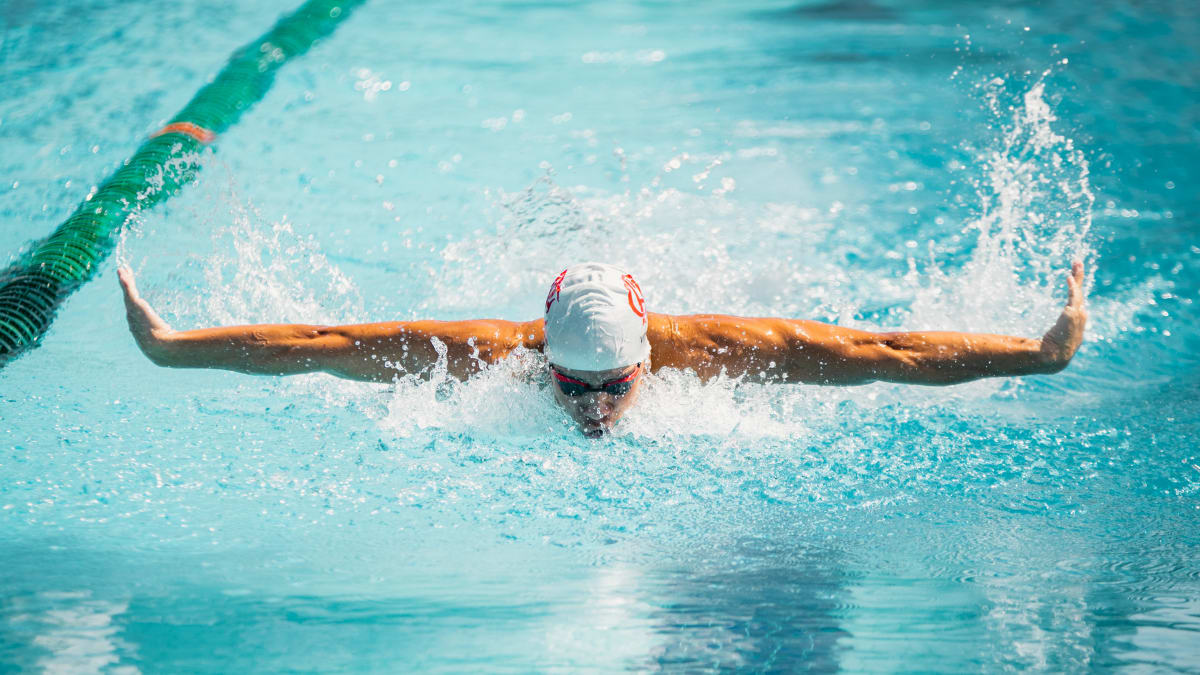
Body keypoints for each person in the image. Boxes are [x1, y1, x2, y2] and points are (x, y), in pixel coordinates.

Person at [119, 260, 1088, 438]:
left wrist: (1034, 355)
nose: (591, 411)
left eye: (612, 388)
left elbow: (888, 351)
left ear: (647, 362)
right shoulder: (485, 355)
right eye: (571, 387)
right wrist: (171, 349)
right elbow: (319, 343)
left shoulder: (721, 353)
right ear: (539, 357)